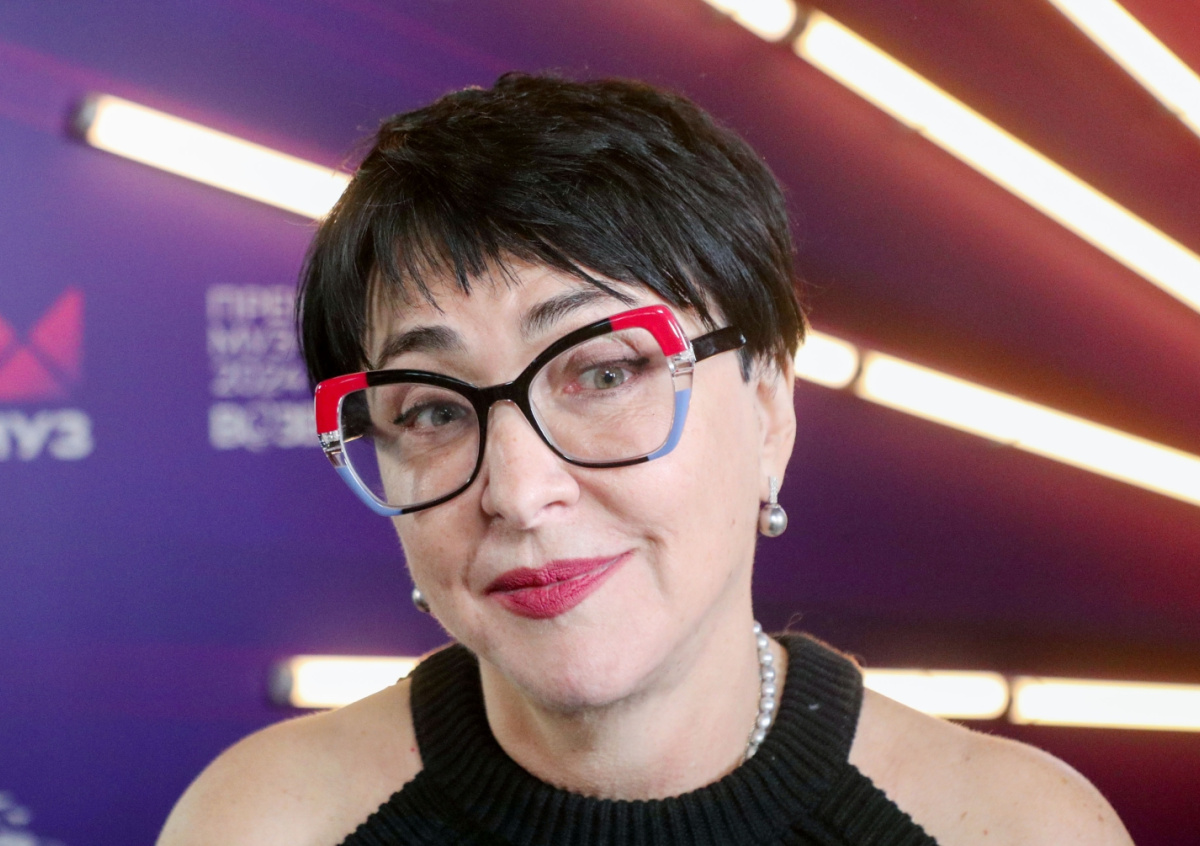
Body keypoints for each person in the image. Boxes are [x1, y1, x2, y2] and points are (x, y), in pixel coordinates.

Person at [158, 73, 1133, 846]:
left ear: (768, 408)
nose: (519, 492)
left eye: (604, 373)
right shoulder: (268, 824)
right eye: (433, 410)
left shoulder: (1008, 828)